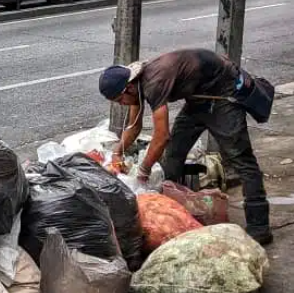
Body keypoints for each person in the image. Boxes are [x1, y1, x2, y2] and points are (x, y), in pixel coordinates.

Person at [99, 48, 272, 245]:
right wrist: (117, 152)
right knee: (173, 155)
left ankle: (260, 226)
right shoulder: (133, 84)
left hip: (224, 94)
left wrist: (143, 172)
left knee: (241, 159)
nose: (122, 104)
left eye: (120, 100)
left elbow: (161, 136)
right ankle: (174, 214)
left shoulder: (153, 82)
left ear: (127, 88)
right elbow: (134, 126)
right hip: (199, 97)